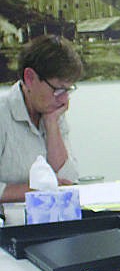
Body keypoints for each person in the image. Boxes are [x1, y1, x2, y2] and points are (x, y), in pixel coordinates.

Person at [0, 35, 83, 203]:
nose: (64, 100)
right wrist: (36, 190)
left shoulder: (51, 111)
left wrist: (51, 124)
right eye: (58, 89)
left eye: (68, 90)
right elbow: (56, 187)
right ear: (30, 78)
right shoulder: (3, 113)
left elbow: (68, 179)